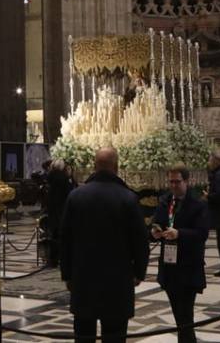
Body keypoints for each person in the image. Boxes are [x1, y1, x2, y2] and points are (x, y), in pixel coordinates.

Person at [59, 147, 149, 343]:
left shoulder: (76, 196)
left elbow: (65, 239)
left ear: (94, 166)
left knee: (83, 336)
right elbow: (141, 240)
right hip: (118, 281)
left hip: (83, 279)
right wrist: (139, 272)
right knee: (115, 336)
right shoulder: (128, 198)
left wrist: (67, 274)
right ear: (116, 167)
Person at [152, 166, 210, 343]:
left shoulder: (197, 205)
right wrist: (154, 231)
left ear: (186, 181)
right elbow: (157, 222)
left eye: (177, 181)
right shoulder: (165, 201)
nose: (174, 185)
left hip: (188, 265)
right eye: (171, 181)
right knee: (179, 314)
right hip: (169, 266)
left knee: (186, 314)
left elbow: (202, 234)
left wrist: (180, 233)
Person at [43, 159, 75, 268]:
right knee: (62, 236)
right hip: (63, 210)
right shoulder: (65, 180)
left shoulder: (50, 178)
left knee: (53, 235)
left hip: (53, 210)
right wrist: (71, 178)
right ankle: (62, 258)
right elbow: (71, 193)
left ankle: (52, 259)